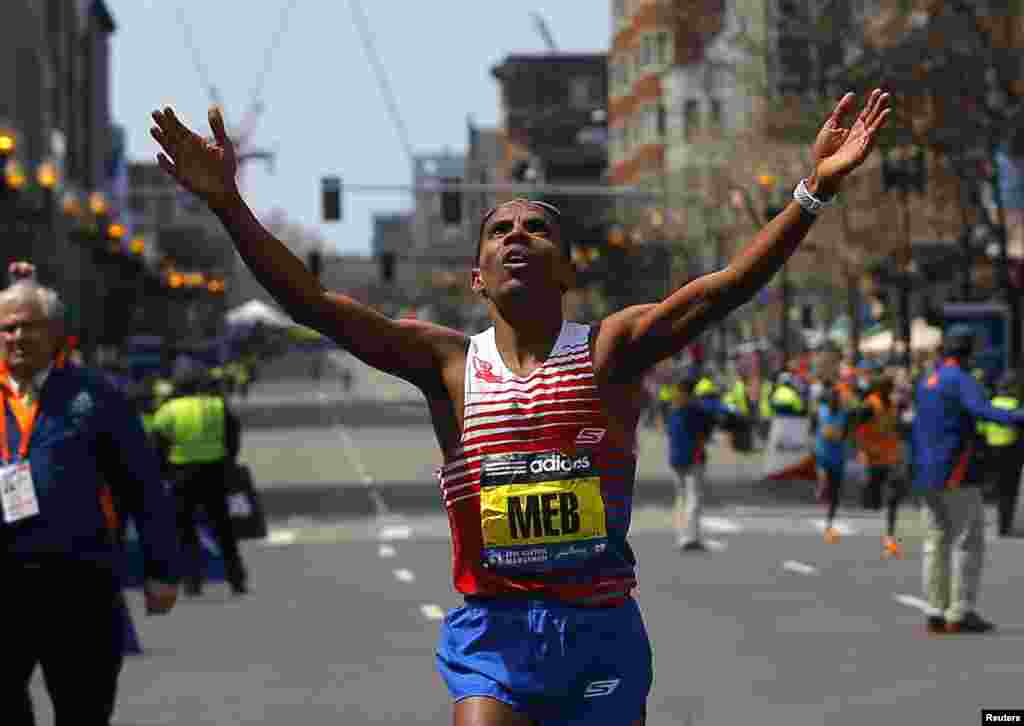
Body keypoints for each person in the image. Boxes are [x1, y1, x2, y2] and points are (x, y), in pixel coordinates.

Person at [151, 88, 890, 725]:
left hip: (600, 625)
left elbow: (725, 286)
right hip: (492, 632)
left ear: (567, 268)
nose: (517, 236)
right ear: (477, 276)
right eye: (499, 230)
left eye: (536, 228)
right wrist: (229, 206)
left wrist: (812, 190)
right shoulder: (447, 364)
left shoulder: (609, 349)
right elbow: (312, 304)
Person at [0, 279, 179, 726]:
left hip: (79, 585)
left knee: (84, 710)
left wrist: (161, 569)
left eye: (29, 327)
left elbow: (143, 485)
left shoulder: (95, 397)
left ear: (56, 333)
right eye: (6, 329)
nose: (17, 338)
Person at [911, 326, 1024, 634]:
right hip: (956, 471)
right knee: (967, 541)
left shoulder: (928, 381)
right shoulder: (961, 380)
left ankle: (935, 608)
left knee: (935, 540)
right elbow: (982, 411)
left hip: (927, 471)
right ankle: (960, 611)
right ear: (968, 352)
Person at [151, 368, 246, 596]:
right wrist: (229, 460)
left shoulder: (168, 411)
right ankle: (236, 579)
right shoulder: (216, 406)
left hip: (181, 475)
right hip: (214, 473)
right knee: (223, 529)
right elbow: (233, 433)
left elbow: (157, 445)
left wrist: (163, 473)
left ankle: (193, 581)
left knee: (185, 531)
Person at [666, 374, 742, 552]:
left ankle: (681, 534)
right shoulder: (696, 409)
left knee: (681, 497)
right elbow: (712, 425)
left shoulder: (674, 409)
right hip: (694, 457)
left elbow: (670, 433)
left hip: (676, 458)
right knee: (693, 498)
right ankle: (690, 536)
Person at [853, 374, 907, 558]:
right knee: (871, 500)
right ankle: (872, 537)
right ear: (879, 389)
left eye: (891, 387)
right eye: (888, 387)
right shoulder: (869, 406)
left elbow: (895, 427)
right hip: (873, 458)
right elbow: (855, 429)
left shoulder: (892, 405)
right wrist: (863, 449)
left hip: (892, 457)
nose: (891, 391)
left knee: (894, 495)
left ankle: (890, 538)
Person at [977, 369, 1024, 537]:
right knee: (1009, 491)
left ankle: (1000, 525)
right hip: (1010, 452)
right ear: (1012, 388)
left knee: (998, 490)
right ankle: (1005, 526)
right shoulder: (1015, 405)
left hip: (992, 451)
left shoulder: (990, 404)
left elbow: (981, 429)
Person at [812, 382, 853, 543]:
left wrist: (833, 434)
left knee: (833, 491)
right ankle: (829, 522)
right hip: (830, 455)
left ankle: (829, 522)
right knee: (832, 490)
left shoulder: (833, 413)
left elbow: (843, 435)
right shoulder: (833, 412)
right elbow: (843, 435)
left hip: (830, 454)